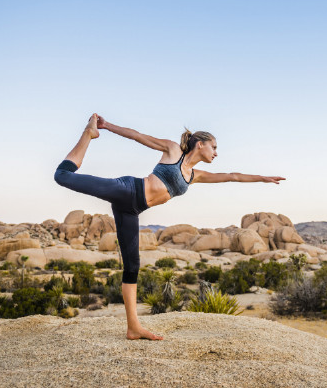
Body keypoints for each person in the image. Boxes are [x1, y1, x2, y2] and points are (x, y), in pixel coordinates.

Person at [54, 113, 286, 340]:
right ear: (201, 144)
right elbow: (137, 136)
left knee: (132, 267)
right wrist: (106, 126)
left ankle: (133, 328)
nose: (216, 152)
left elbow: (232, 176)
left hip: (131, 210)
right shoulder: (173, 150)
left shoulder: (195, 175)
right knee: (62, 176)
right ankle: (88, 133)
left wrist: (263, 178)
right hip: (127, 189)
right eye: (214, 147)